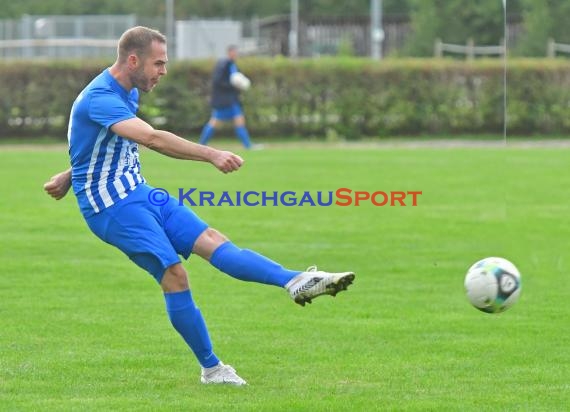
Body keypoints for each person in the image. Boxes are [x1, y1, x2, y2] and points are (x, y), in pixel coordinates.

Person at [43, 26, 355, 386]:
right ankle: (212, 369)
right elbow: (151, 138)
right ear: (132, 60)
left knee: (212, 238)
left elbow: (102, 140)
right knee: (175, 274)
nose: (163, 71)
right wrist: (211, 154)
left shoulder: (127, 90)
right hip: (111, 208)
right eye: (158, 63)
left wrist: (70, 174)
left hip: (140, 192)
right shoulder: (100, 96)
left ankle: (297, 281)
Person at [198, 45, 255, 149]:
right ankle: (201, 144)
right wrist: (233, 85)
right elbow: (217, 81)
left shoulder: (232, 65)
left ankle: (248, 145)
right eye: (234, 52)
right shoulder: (224, 64)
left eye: (236, 53)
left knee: (238, 120)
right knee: (215, 122)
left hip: (230, 99)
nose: (235, 55)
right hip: (225, 100)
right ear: (229, 53)